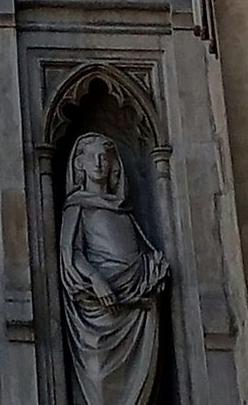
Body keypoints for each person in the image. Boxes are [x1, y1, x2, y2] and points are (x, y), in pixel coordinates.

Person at [59, 133, 168, 405]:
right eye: (91, 157)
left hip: (137, 306)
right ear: (79, 164)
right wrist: (96, 279)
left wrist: (150, 271)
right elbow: (70, 252)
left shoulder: (123, 210)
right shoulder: (77, 207)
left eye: (104, 157)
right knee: (102, 384)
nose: (98, 163)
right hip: (99, 312)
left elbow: (140, 251)